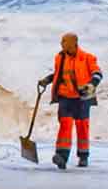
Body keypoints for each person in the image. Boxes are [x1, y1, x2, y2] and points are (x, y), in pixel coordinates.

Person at [40, 32, 103, 168]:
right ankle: (61, 156)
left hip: (82, 98)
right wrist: (47, 80)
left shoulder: (87, 58)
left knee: (82, 127)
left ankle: (83, 156)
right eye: (62, 41)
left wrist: (91, 85)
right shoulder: (60, 57)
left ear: (74, 43)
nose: (61, 43)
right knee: (65, 125)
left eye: (64, 41)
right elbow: (59, 74)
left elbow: (97, 73)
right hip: (65, 97)